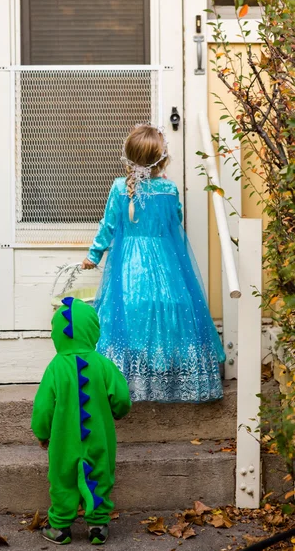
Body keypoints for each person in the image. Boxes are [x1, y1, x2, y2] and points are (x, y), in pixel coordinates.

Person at [82, 123, 225, 403]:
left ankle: (129, 381)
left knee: (130, 314)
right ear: (162, 160)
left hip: (129, 265)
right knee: (165, 313)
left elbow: (107, 226)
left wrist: (93, 255)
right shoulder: (169, 189)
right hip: (163, 262)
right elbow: (177, 221)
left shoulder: (119, 188)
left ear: (128, 158)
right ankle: (163, 376)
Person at [31, 297, 131, 546]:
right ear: (93, 330)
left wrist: (42, 433)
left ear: (57, 334)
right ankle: (97, 525)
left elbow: (43, 406)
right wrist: (117, 412)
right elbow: (121, 397)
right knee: (100, 474)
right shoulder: (103, 365)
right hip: (99, 436)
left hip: (64, 440)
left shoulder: (55, 368)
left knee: (61, 478)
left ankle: (60, 527)